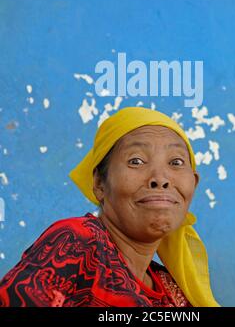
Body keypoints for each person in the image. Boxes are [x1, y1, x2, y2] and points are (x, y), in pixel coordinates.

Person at [0, 106, 220, 307]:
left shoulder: (171, 293)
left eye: (176, 162)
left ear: (194, 183)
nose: (160, 179)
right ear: (99, 183)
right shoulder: (78, 242)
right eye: (136, 161)